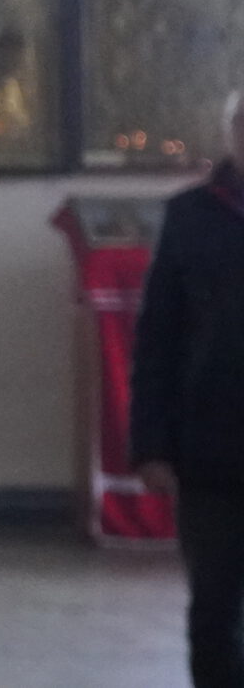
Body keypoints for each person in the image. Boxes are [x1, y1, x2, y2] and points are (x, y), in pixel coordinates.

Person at [134, 92, 244, 688]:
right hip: (211, 450)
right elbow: (157, 339)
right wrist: (151, 445)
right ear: (232, 135)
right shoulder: (190, 217)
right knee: (214, 610)